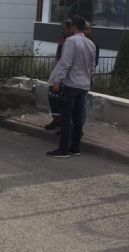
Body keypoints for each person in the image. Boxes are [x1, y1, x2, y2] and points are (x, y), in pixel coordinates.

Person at [47, 17, 96, 158]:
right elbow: (92, 67)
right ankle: (75, 147)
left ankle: (63, 149)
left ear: (74, 27)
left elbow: (66, 63)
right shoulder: (90, 44)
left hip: (71, 84)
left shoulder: (71, 41)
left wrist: (57, 81)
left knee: (66, 116)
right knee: (77, 117)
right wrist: (87, 80)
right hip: (84, 85)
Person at [44, 20, 72, 130]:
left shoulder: (72, 41)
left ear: (71, 29)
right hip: (58, 69)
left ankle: (66, 124)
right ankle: (56, 120)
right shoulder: (63, 39)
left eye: (64, 29)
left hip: (65, 75)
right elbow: (58, 52)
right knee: (53, 97)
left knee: (63, 100)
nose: (63, 32)